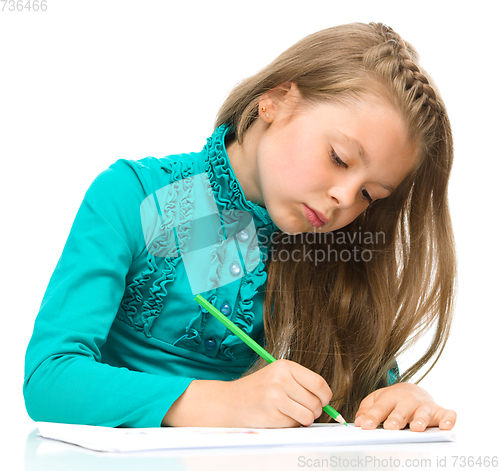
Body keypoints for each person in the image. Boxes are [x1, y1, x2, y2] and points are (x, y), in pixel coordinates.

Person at [24, 22, 457, 431]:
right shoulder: (138, 196)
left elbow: (368, 398)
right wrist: (223, 402)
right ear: (275, 101)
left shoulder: (324, 245)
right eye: (339, 158)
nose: (345, 198)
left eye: (369, 195)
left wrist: (401, 400)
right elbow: (49, 380)